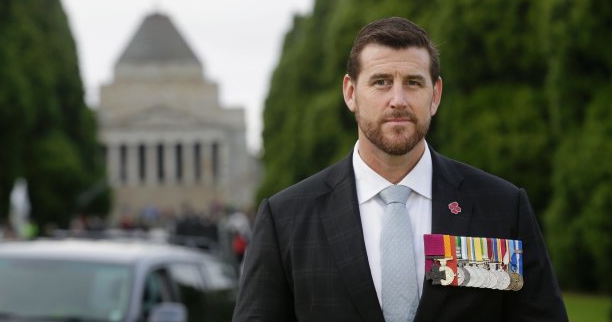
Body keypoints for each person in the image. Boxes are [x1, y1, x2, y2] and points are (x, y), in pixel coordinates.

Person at [232, 17, 568, 322]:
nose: (398, 100)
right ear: (351, 93)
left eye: (413, 82)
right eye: (380, 82)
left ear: (435, 95)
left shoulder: (501, 208)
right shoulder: (287, 219)